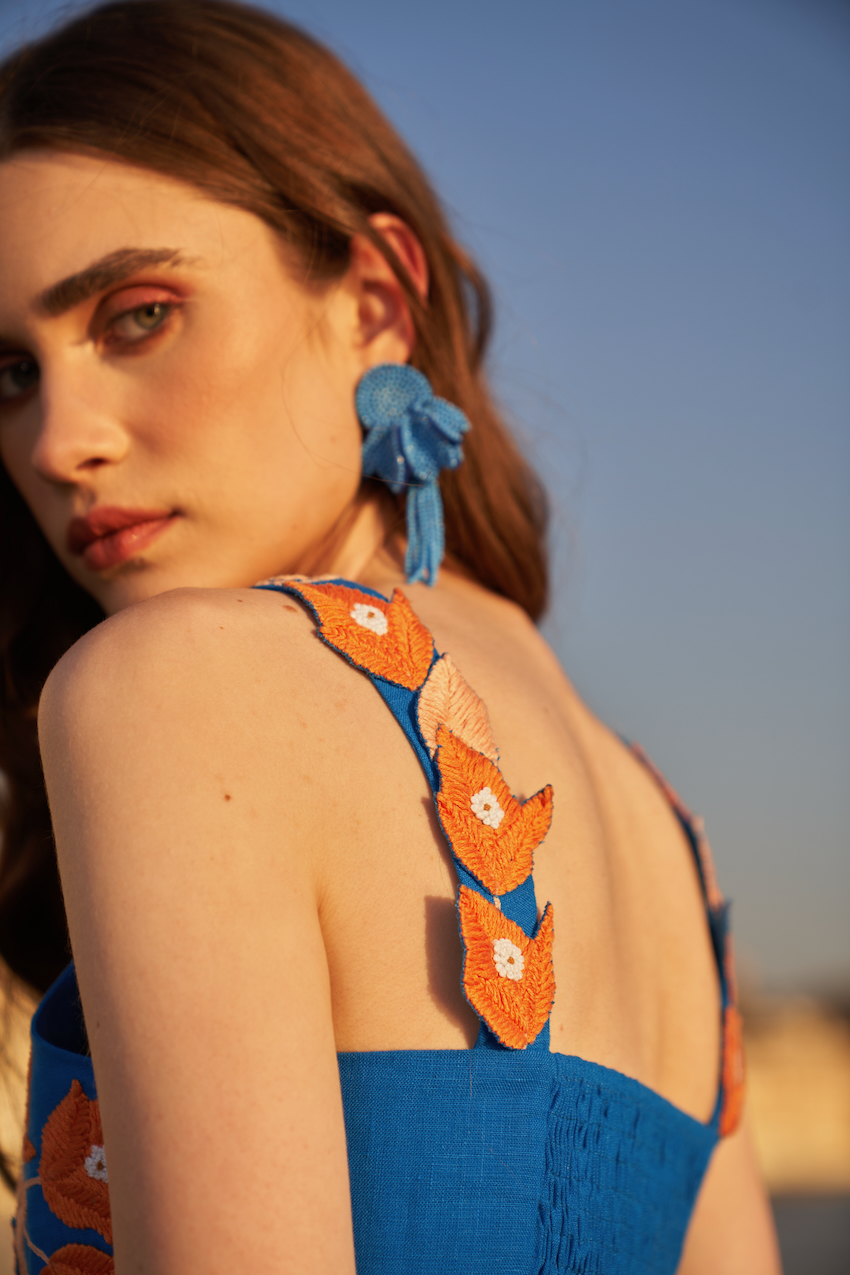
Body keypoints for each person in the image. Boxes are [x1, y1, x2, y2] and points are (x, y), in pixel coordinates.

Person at [0, 2, 781, 1271]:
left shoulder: (172, 688)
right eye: (10, 374)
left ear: (374, 300)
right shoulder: (672, 847)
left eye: (137, 314)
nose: (57, 441)